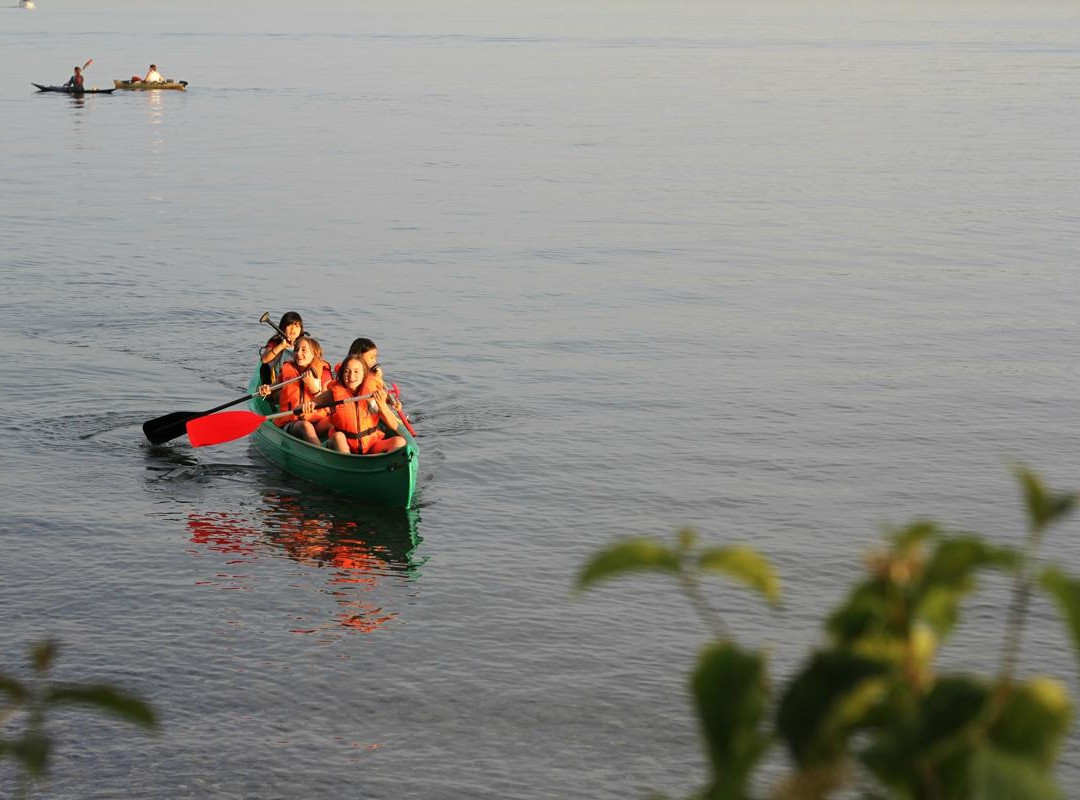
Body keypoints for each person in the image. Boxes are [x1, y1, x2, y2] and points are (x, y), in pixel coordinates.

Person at [322, 356, 406, 455]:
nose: (351, 376)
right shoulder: (332, 393)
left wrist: (382, 404)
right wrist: (308, 406)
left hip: (371, 445)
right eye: (347, 371)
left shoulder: (373, 393)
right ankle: (349, 462)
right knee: (338, 436)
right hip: (343, 445)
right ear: (342, 373)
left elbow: (394, 425)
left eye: (356, 371)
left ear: (364, 374)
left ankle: (381, 464)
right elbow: (312, 404)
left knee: (400, 441)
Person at [258, 335, 333, 445]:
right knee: (305, 426)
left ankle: (335, 447)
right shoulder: (288, 369)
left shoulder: (324, 372)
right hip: (292, 421)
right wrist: (265, 390)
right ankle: (321, 453)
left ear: (315, 354)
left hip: (317, 419)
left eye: (303, 350)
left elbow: (329, 403)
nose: (298, 353)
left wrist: (314, 389)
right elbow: (271, 390)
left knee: (337, 421)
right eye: (296, 350)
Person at [260, 311, 305, 384]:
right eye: (289, 325)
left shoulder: (304, 343)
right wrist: (282, 346)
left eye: (297, 326)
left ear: (301, 329)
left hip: (296, 379)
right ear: (283, 327)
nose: (293, 329)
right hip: (276, 381)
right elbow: (264, 359)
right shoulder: (276, 341)